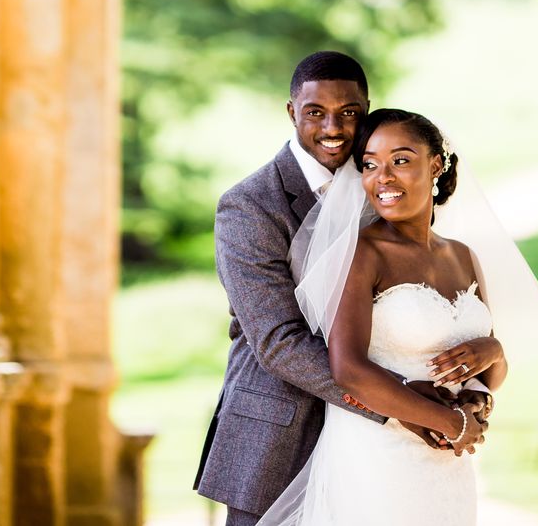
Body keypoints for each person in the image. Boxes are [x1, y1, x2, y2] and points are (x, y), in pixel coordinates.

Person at [194, 53, 490, 525]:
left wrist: (481, 365)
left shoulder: (383, 187)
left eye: (349, 113)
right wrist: (398, 407)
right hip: (279, 437)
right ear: (292, 112)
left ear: (366, 110)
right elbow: (278, 342)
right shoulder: (249, 206)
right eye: (315, 113)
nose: (333, 128)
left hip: (386, 453)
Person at [257, 108, 538, 525]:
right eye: (369, 165)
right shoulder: (361, 254)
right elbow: (348, 369)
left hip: (449, 461)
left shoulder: (462, 256)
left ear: (435, 164)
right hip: (379, 454)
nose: (383, 178)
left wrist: (491, 358)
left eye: (400, 160)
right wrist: (450, 421)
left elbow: (485, 374)